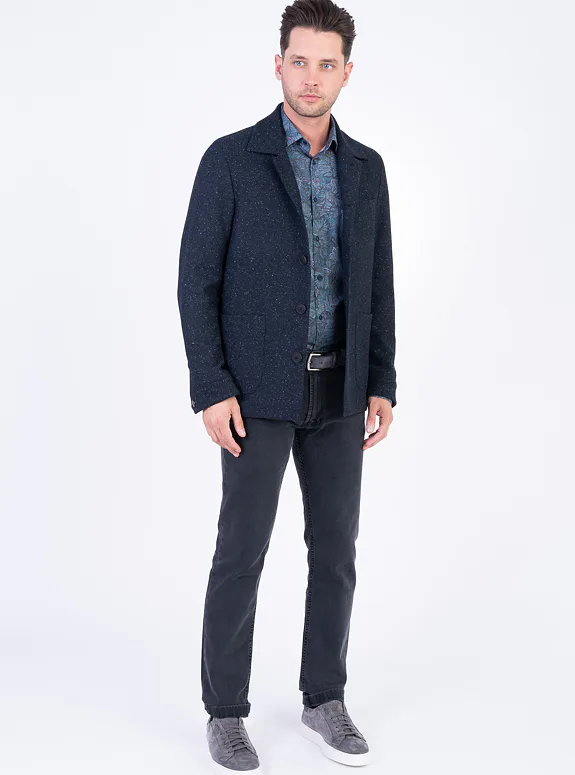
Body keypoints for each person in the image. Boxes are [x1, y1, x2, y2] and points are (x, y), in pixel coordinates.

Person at [177, 0, 397, 770]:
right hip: (254, 394)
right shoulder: (231, 161)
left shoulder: (365, 169)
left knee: (335, 551)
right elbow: (195, 281)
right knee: (240, 551)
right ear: (278, 65)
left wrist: (381, 379)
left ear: (346, 72)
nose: (311, 77)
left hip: (339, 391)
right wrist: (211, 385)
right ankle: (225, 710)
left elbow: (376, 283)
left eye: (326, 64)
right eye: (299, 61)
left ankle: (323, 696)